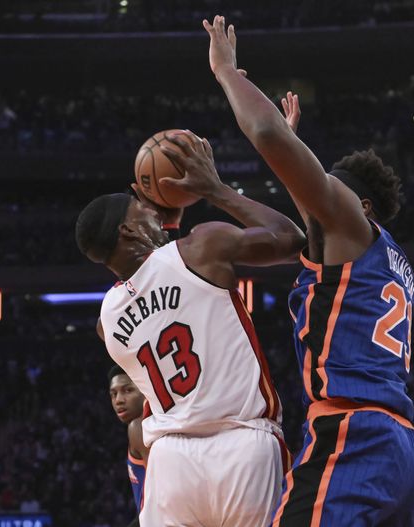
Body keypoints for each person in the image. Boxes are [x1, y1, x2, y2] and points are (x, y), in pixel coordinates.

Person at [203, 15, 414, 526]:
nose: (319, 192)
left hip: (356, 437)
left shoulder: (350, 222)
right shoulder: (379, 254)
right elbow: (302, 224)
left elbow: (262, 131)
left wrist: (228, 73)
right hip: (403, 449)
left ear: (364, 205)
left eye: (329, 186)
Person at [75, 133, 305, 527]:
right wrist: (214, 190)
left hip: (170, 464)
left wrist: (164, 225)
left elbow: (153, 283)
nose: (152, 211)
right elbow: (291, 240)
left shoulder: (107, 321)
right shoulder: (201, 247)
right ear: (129, 232)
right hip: (241, 446)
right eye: (141, 210)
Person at [108, 364, 149, 527]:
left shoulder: (138, 427)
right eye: (113, 394)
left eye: (128, 390)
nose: (118, 400)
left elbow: (162, 493)